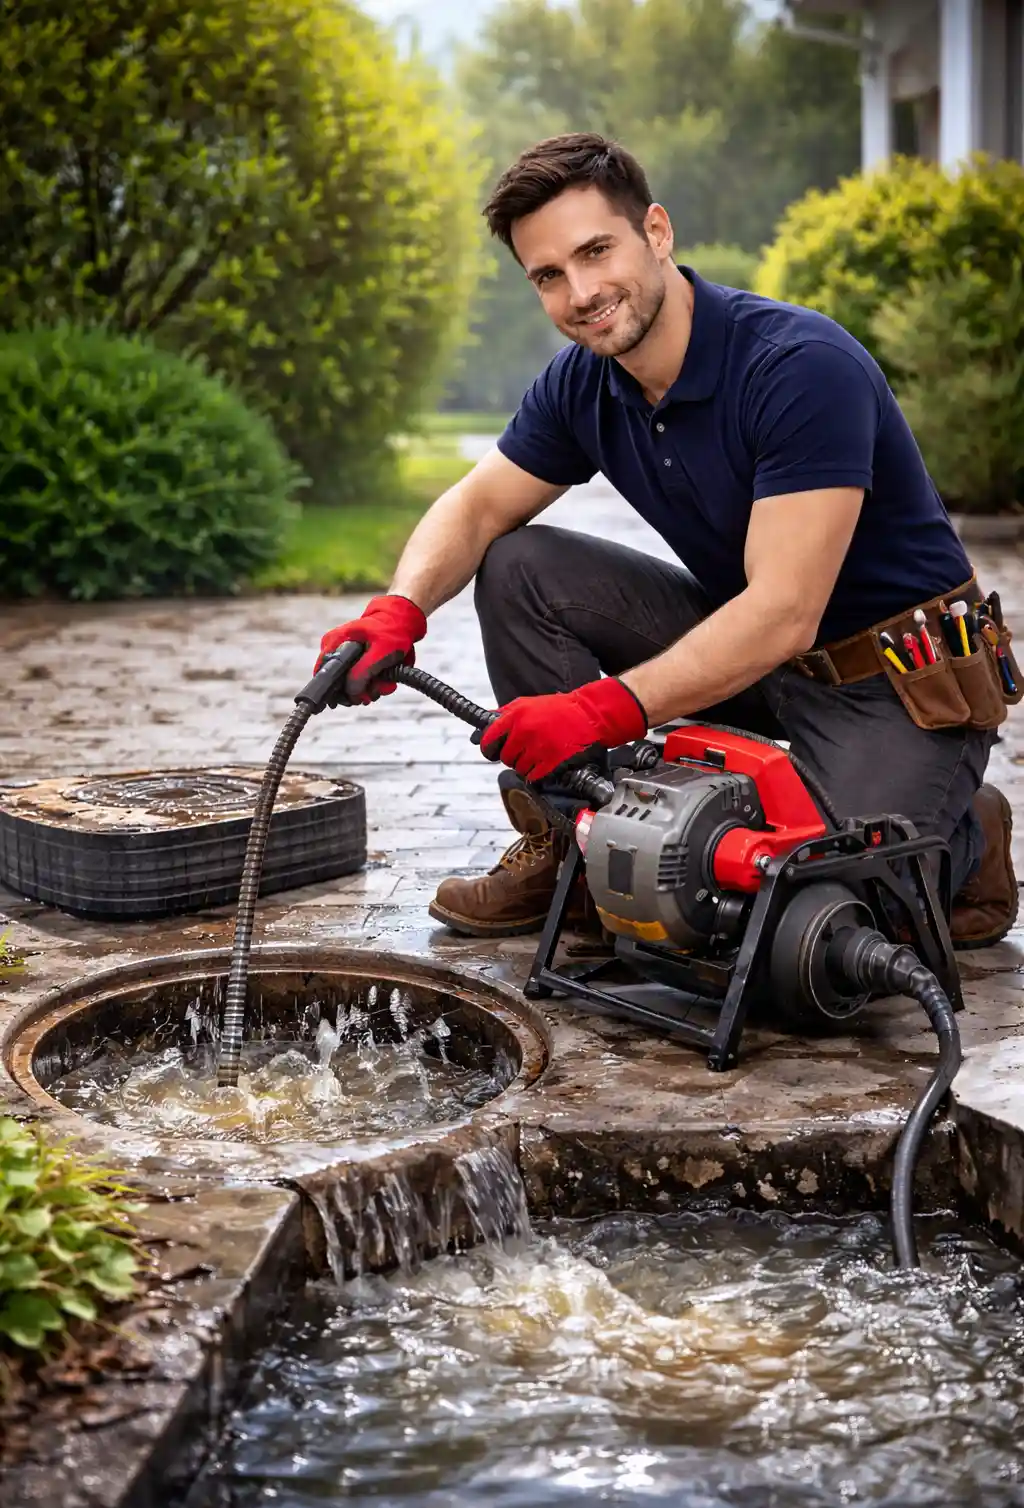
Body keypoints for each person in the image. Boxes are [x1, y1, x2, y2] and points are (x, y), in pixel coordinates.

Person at [315, 132, 1018, 949]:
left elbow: (785, 610)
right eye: (548, 275)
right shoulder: (583, 382)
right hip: (760, 660)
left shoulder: (799, 367)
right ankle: (578, 851)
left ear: (655, 232)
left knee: (795, 937)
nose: (580, 293)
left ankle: (963, 841)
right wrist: (397, 610)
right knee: (519, 565)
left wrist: (598, 712)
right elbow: (476, 508)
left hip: (893, 682)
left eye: (595, 252)